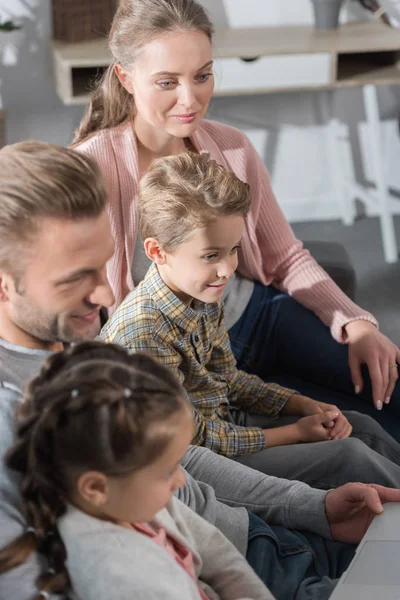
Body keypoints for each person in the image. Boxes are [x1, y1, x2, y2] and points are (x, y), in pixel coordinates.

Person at [0, 142, 398, 600]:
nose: (106, 296)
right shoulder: (19, 410)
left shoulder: (77, 347)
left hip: (237, 536)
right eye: (74, 278)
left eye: (102, 267)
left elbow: (178, 467)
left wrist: (313, 508)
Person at [72, 0, 400, 439]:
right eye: (167, 82)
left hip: (258, 314)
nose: (190, 99)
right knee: (359, 430)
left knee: (389, 384)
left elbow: (285, 255)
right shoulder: (91, 168)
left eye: (203, 75)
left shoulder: (232, 148)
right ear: (125, 78)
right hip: (186, 358)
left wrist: (356, 322)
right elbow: (78, 300)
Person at [102, 151, 400, 488]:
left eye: (233, 250)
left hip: (225, 426)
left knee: (359, 426)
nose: (228, 268)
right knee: (349, 457)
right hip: (195, 464)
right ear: (157, 251)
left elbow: (230, 380)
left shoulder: (201, 294)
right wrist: (293, 433)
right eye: (211, 255)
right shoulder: (144, 334)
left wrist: (303, 405)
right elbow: (195, 438)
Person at [0, 342, 272, 600]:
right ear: (95, 488)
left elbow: (213, 546)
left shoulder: (130, 499)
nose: (181, 480)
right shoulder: (121, 578)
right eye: (167, 471)